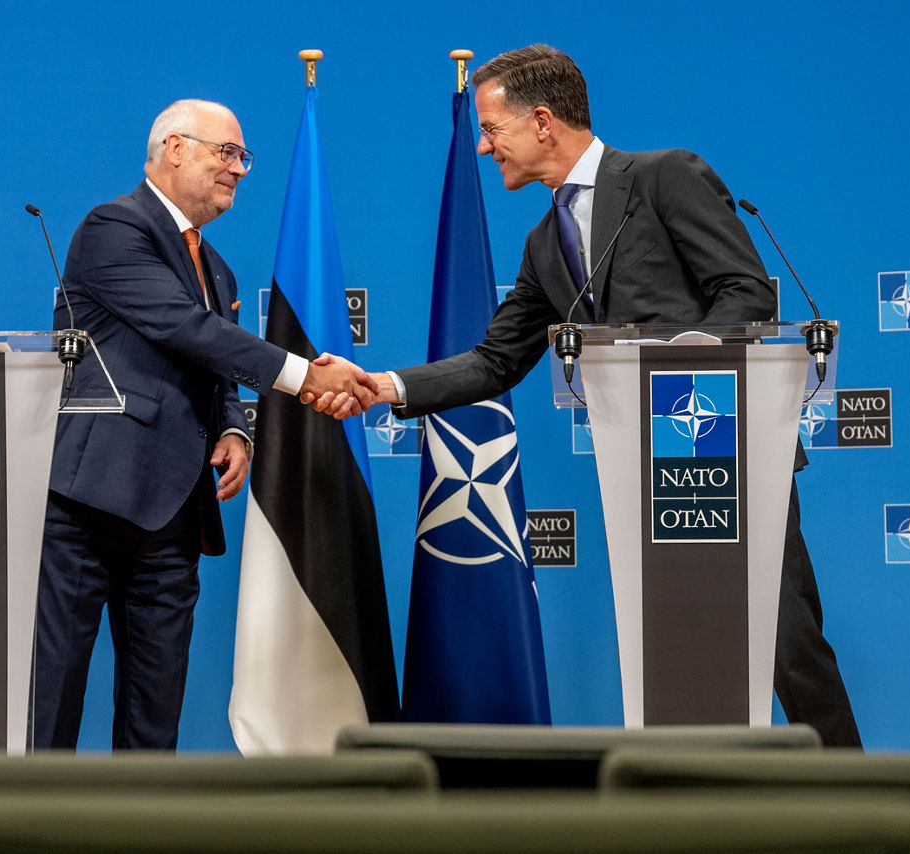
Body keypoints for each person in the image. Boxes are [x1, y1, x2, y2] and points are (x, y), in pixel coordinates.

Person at [310, 45, 862, 747]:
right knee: (677, 655)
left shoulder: (665, 177)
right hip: (645, 476)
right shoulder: (546, 242)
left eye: (491, 129)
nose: (483, 148)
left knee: (785, 640)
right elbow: (493, 362)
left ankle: (853, 782)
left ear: (543, 122)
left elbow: (744, 293)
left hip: (723, 449)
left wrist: (670, 378)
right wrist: (382, 385)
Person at [32, 99, 375, 750]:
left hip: (173, 517)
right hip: (88, 508)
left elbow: (211, 360)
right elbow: (181, 326)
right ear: (174, 149)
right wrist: (307, 376)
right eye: (227, 153)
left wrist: (233, 429)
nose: (239, 169)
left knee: (154, 717)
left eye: (244, 157)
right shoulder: (113, 226)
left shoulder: (215, 267)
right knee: (52, 702)